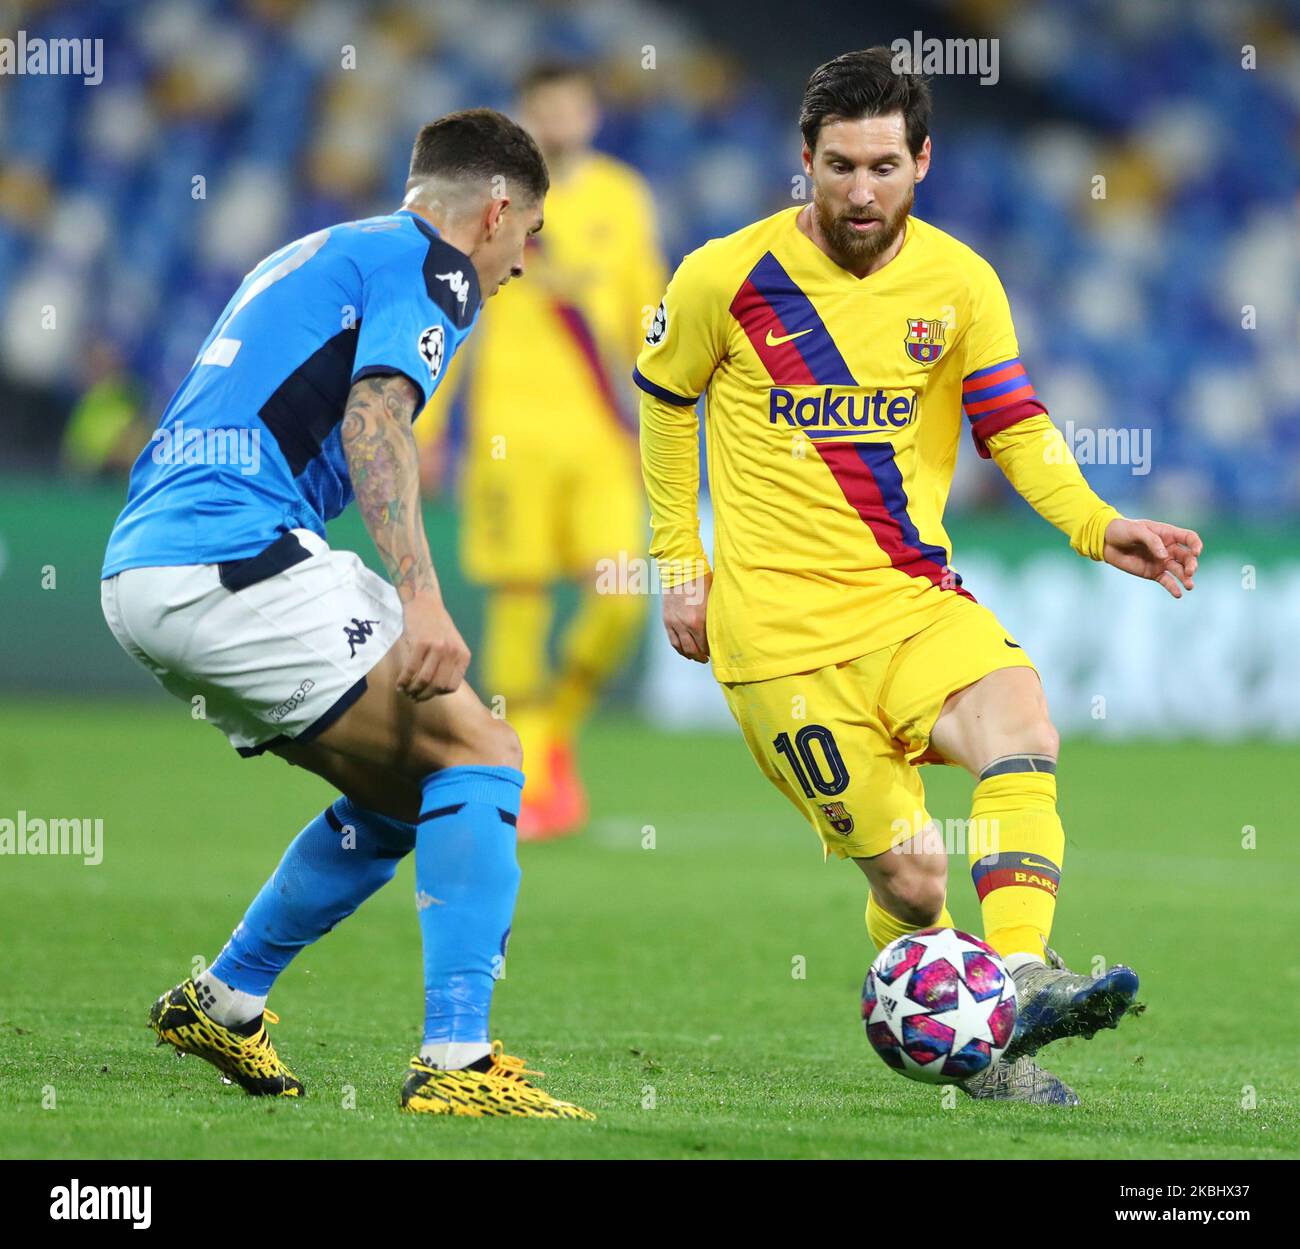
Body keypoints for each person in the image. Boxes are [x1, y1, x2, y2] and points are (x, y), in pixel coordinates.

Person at [635, 49, 1203, 1104]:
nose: (861, 190)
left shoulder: (958, 281)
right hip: (779, 643)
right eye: (839, 165)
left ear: (922, 160)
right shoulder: (725, 276)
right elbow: (667, 405)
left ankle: (1025, 970)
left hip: (908, 600)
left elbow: (1014, 427)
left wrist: (1094, 524)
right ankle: (978, 1047)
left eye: (884, 166)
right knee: (912, 876)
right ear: (801, 159)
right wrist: (678, 563)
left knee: (1022, 721)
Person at [100, 108, 592, 1119]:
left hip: (152, 566)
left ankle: (225, 1001)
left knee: (411, 795)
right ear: (494, 210)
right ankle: (455, 1063)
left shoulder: (321, 248)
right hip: (231, 554)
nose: (525, 262)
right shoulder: (433, 264)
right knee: (484, 753)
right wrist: (421, 594)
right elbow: (377, 418)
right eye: (530, 233)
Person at [418, 62, 664, 839]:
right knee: (518, 606)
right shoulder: (490, 204)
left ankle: (550, 738)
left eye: (570, 105)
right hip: (509, 438)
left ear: (590, 111)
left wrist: (673, 415)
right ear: (525, 114)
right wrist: (425, 429)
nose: (558, 120)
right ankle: (526, 771)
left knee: (621, 598)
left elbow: (650, 317)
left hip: (599, 439)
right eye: (544, 108)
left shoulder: (623, 198)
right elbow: (453, 314)